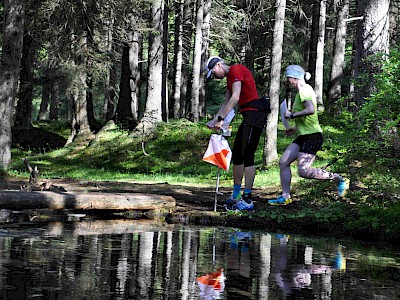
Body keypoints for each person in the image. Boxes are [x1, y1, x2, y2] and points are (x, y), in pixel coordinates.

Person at [268, 65, 349, 205]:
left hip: (313, 136)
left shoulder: (304, 90)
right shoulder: (302, 92)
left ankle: (339, 178)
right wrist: (294, 128)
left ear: (295, 78)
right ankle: (285, 197)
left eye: (288, 78)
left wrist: (291, 115)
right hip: (304, 135)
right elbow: (307, 117)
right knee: (283, 162)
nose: (287, 81)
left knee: (304, 171)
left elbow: (311, 110)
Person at [206, 56, 268, 211]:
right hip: (248, 115)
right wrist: (215, 120)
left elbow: (235, 97)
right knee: (238, 156)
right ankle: (236, 195)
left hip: (255, 115)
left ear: (219, 65)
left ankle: (247, 199)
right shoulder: (230, 79)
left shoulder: (236, 69)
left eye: (213, 72)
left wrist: (220, 118)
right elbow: (227, 103)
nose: (213, 76)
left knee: (248, 155)